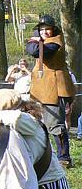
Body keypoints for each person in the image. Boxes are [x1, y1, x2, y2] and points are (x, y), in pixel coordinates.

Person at [26, 15, 76, 168]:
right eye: (42, 29)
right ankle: (45, 155)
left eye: (48, 29)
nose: (45, 32)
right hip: (41, 89)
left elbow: (36, 51)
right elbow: (31, 48)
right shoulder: (42, 41)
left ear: (53, 29)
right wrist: (36, 38)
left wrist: (35, 39)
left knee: (55, 125)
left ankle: (64, 158)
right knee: (38, 124)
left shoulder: (55, 42)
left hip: (55, 88)